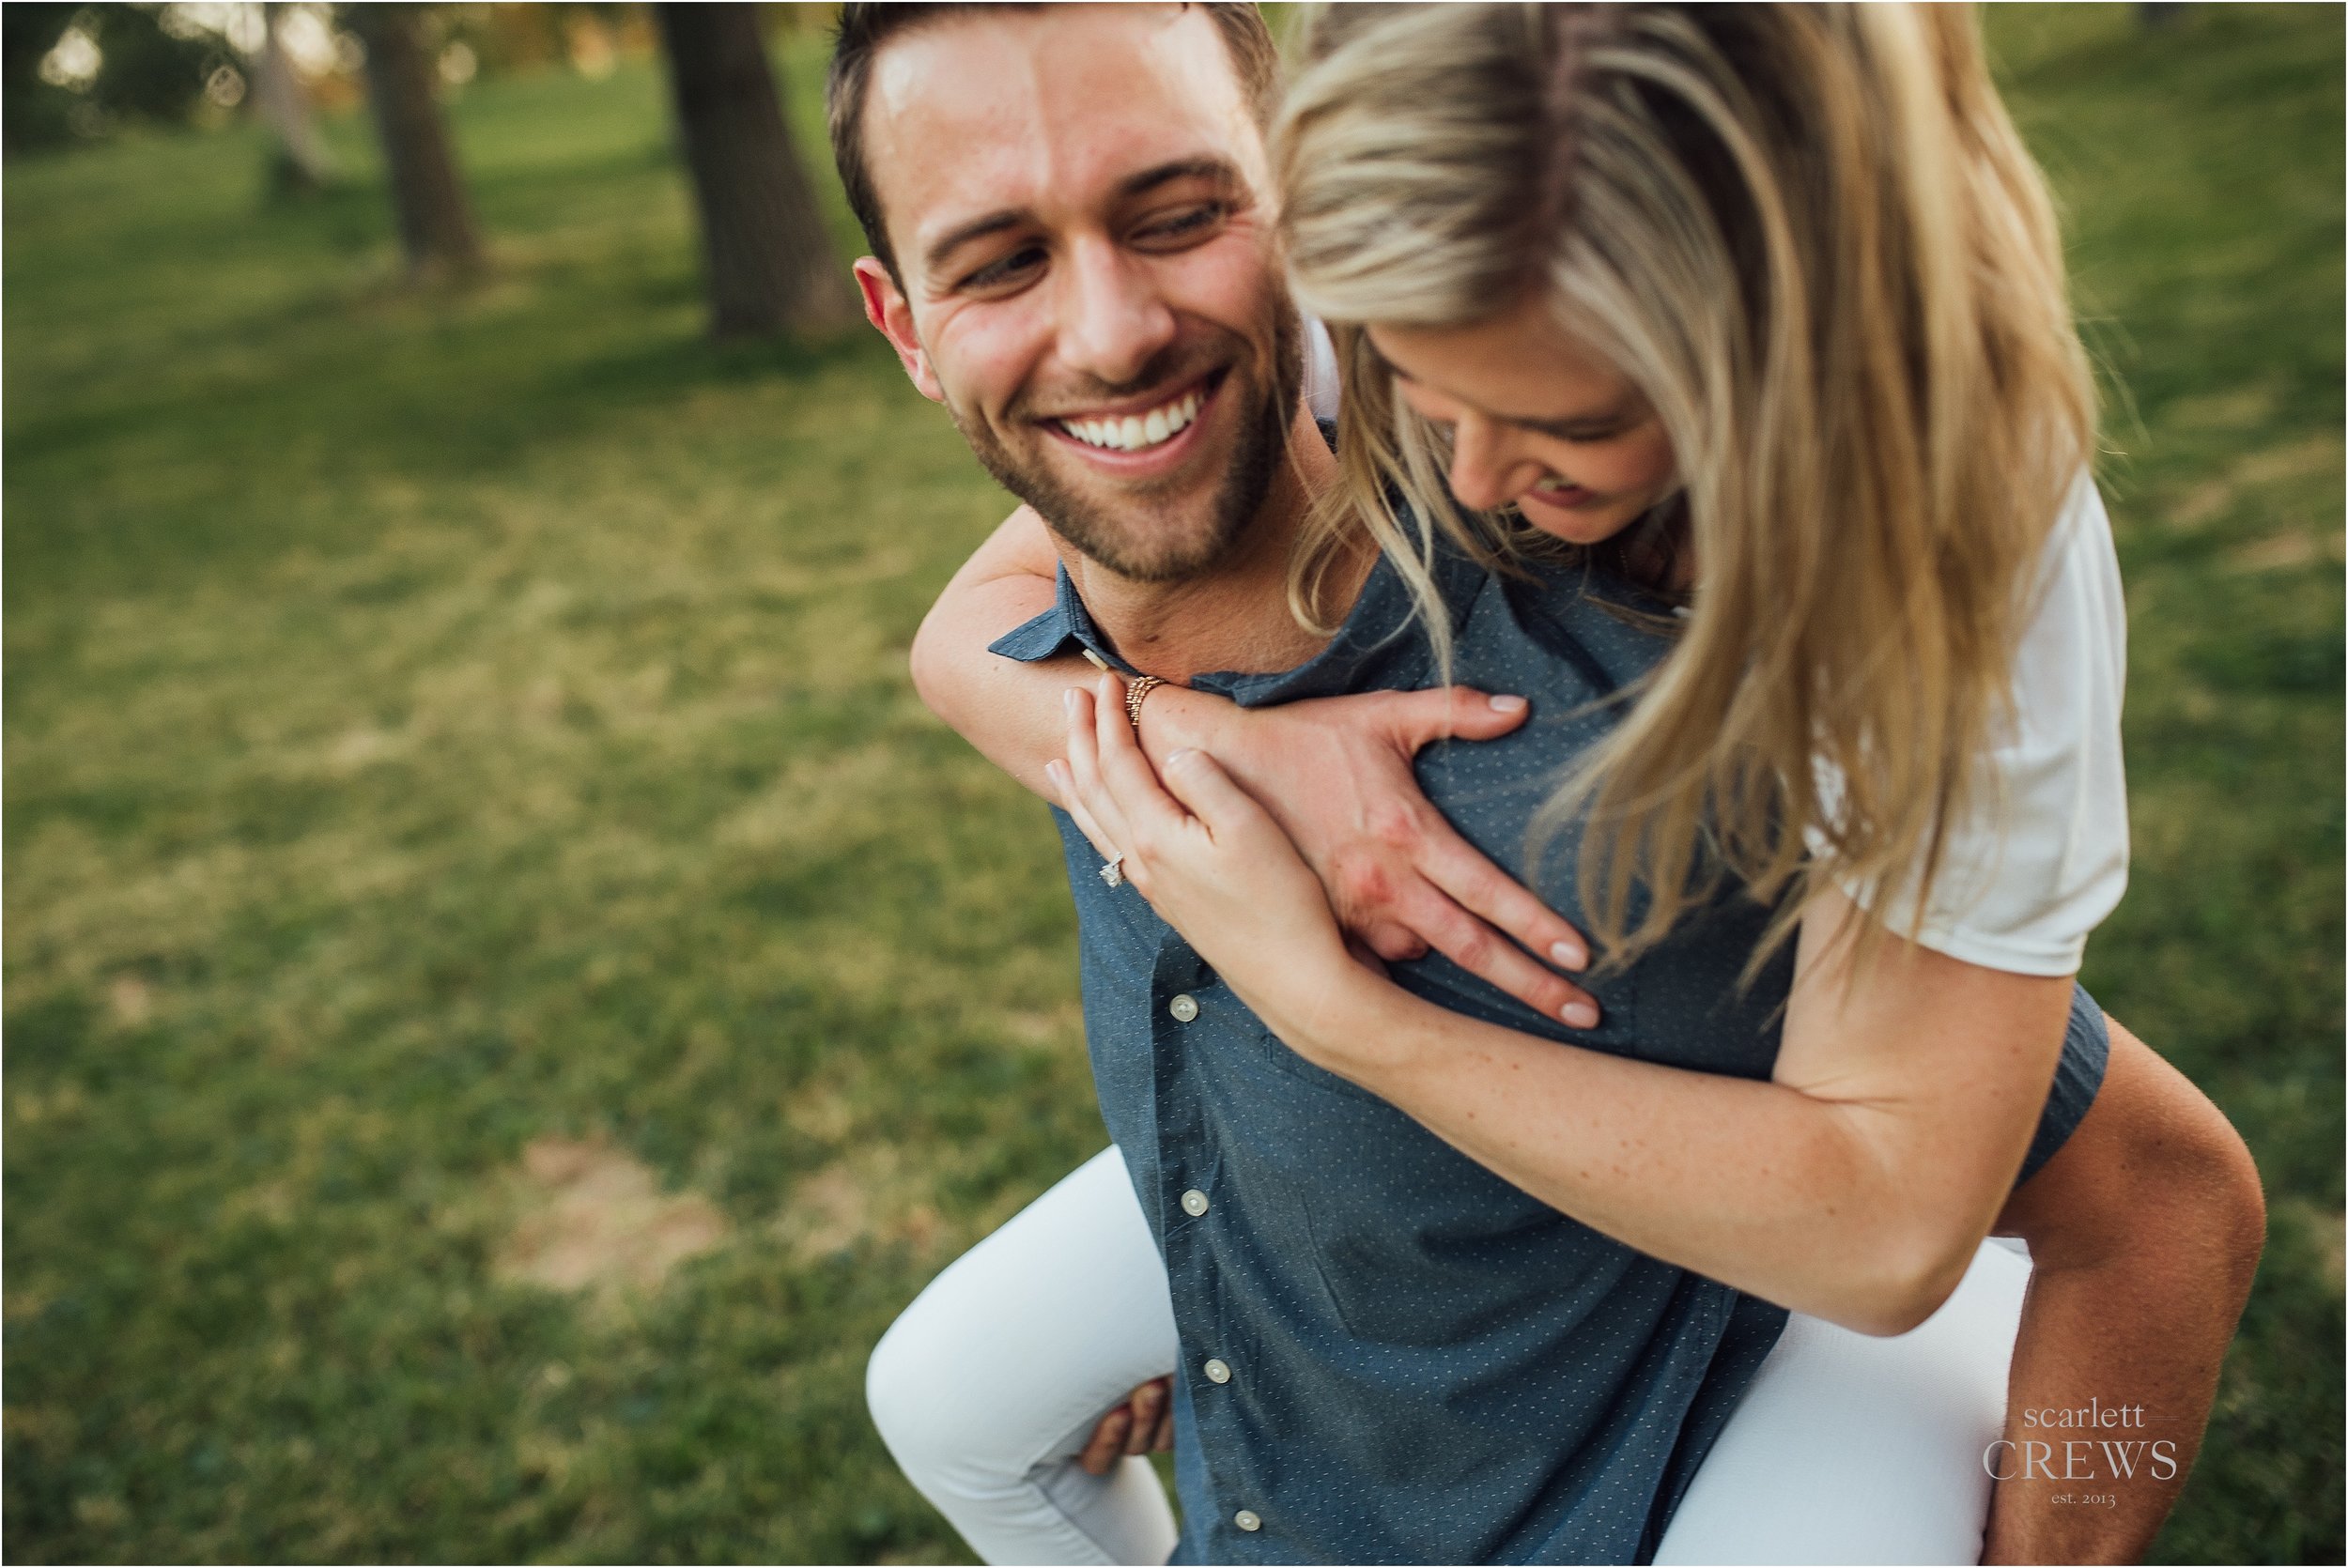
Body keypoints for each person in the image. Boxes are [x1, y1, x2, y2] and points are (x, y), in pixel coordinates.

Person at [832, 4, 2263, 1562]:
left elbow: (2017, 1202)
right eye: (1422, 388)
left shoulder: (1941, 583)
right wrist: (1234, 756)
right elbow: (977, 621)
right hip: (1423, 1236)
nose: (1460, 486)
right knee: (946, 1392)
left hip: (1773, 1247)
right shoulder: (1364, 250)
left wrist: (1338, 1013)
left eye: (1570, 425)